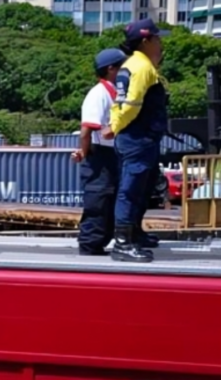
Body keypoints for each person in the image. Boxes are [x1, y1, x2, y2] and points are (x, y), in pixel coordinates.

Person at [109, 18, 170, 263]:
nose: (160, 42)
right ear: (145, 41)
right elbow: (129, 105)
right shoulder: (141, 67)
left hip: (142, 137)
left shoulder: (136, 64)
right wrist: (116, 127)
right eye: (157, 38)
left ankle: (134, 233)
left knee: (143, 188)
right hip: (137, 137)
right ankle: (123, 242)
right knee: (131, 190)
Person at [72, 48, 126, 255]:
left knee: (110, 198)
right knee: (99, 199)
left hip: (111, 153)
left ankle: (101, 241)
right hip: (100, 154)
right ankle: (90, 244)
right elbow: (87, 130)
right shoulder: (99, 94)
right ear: (111, 69)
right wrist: (85, 152)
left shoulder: (114, 92)